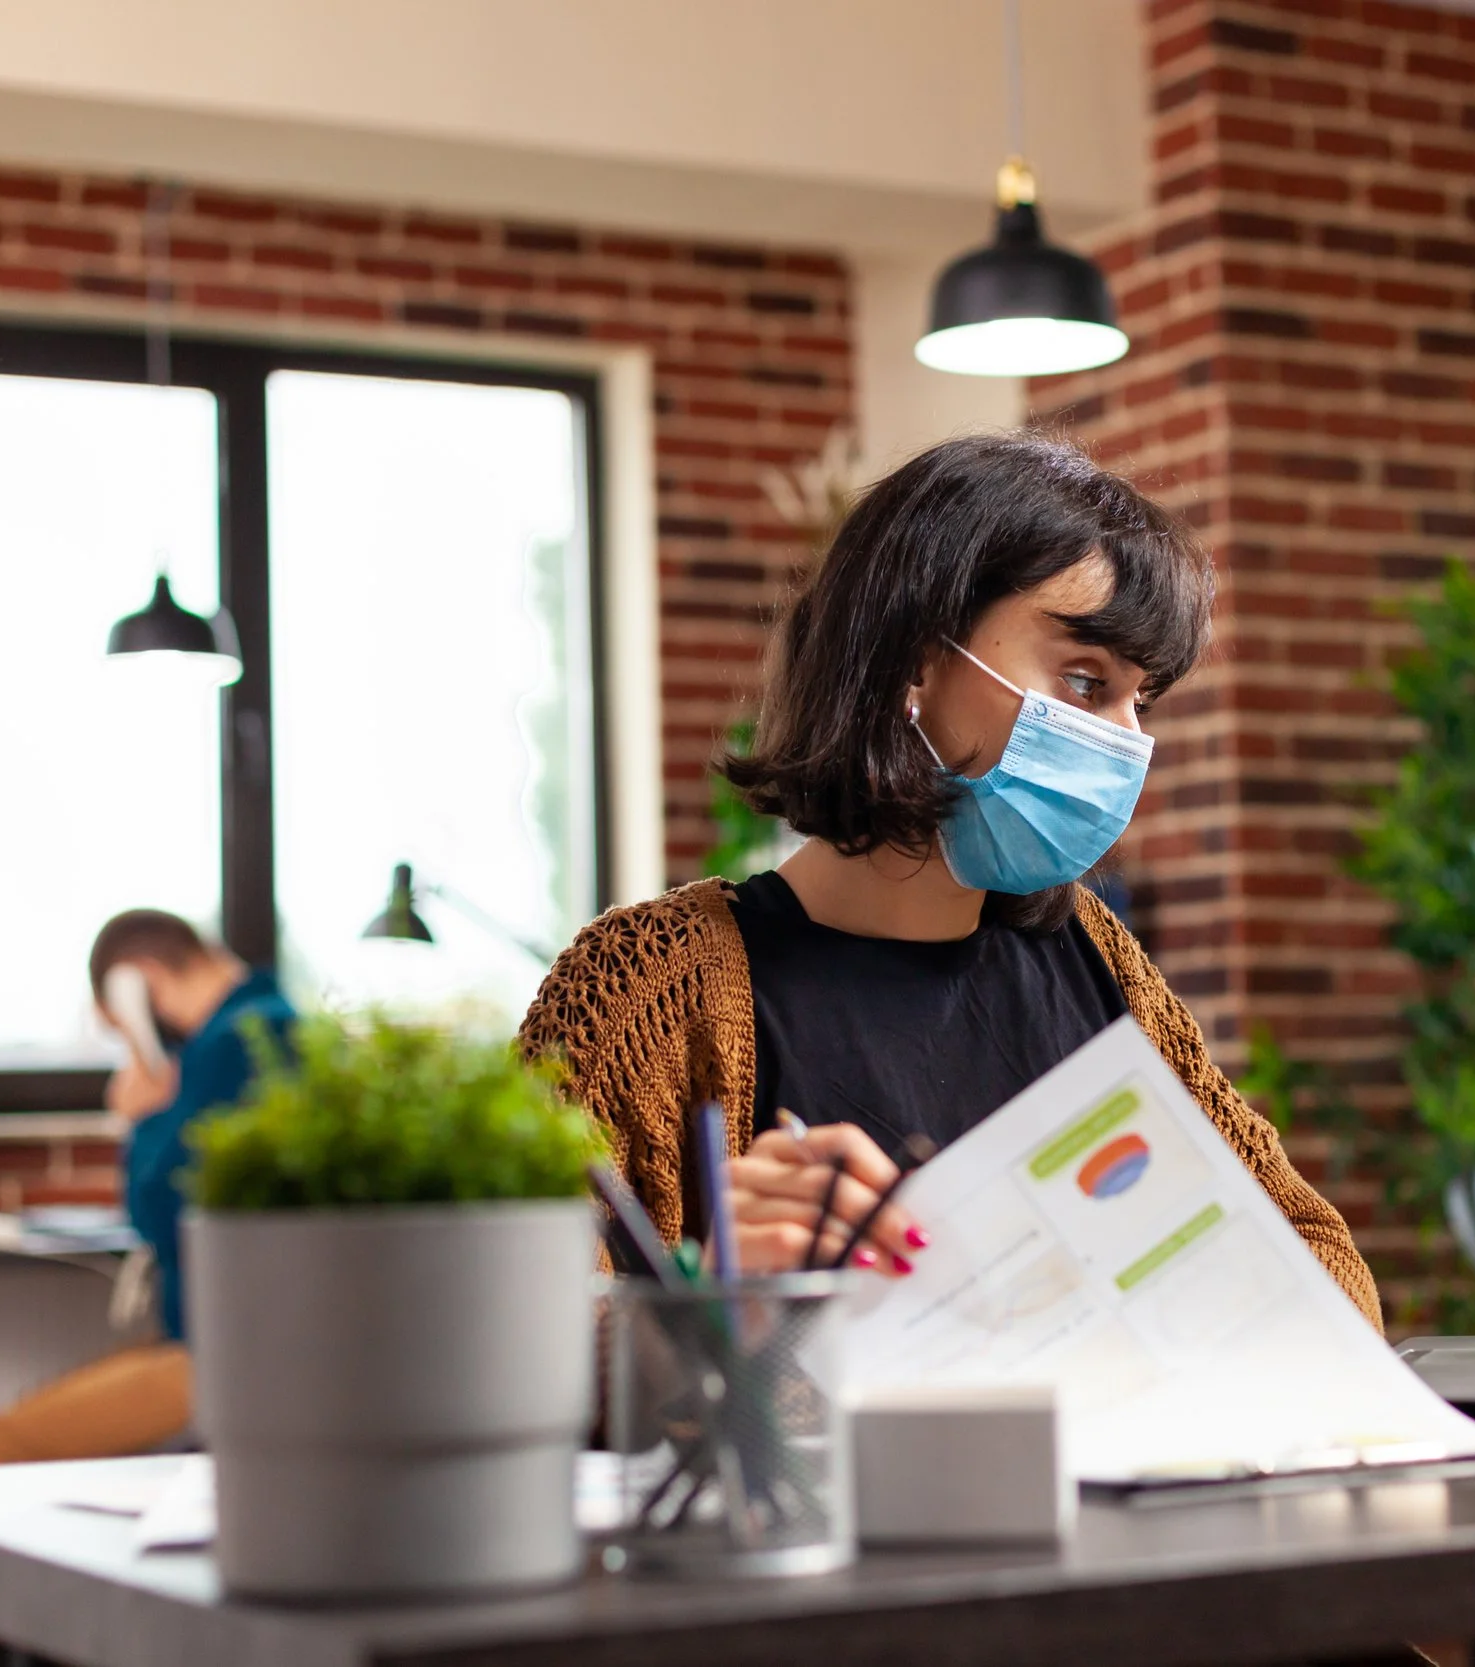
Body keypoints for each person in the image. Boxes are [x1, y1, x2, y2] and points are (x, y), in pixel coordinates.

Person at [519, 431, 1379, 1328]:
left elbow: (1324, 1272)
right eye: (1086, 682)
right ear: (914, 666)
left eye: (1140, 699)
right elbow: (500, 1340)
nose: (1125, 738)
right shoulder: (649, 985)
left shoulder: (1095, 955)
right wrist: (711, 1304)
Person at [0, 910, 295, 1465]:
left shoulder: (234, 1044)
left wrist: (141, 1117)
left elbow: (161, 1212)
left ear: (139, 981)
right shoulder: (270, 1023)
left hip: (228, 1358)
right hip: (245, 1345)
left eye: (120, 1024)